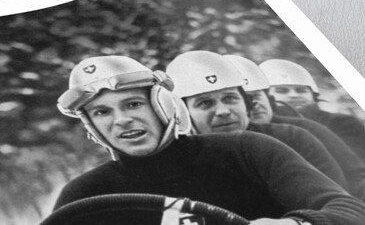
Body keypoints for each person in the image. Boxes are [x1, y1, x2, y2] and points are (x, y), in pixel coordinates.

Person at [53, 55, 365, 225]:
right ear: (90, 124)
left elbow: (348, 209)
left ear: (165, 104)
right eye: (102, 112)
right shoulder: (84, 196)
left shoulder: (248, 150)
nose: (121, 120)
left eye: (133, 104)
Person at [167, 51, 350, 192]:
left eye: (230, 98)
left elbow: (337, 203)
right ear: (184, 113)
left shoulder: (293, 137)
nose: (223, 111)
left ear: (247, 104)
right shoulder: (176, 159)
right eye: (205, 103)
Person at [225, 54, 365, 200]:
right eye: (282, 91)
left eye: (256, 96)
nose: (253, 104)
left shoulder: (302, 131)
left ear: (268, 98)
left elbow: (354, 178)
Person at [260, 59, 365, 161]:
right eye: (282, 91)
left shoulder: (341, 122)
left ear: (313, 94)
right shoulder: (261, 126)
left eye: (301, 90)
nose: (294, 95)